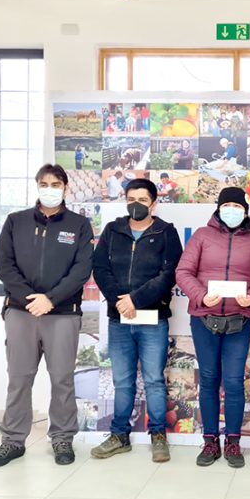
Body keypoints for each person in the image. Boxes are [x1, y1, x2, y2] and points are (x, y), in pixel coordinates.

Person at [0, 164, 93, 468]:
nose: (50, 188)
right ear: (37, 186)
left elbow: (81, 269)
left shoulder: (79, 225)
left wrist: (51, 299)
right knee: (19, 378)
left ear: (66, 188)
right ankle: (12, 441)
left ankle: (62, 438)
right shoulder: (15, 222)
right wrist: (29, 299)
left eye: (56, 184)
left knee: (62, 378)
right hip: (21, 312)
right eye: (44, 183)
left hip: (62, 313)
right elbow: (4, 265)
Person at [176, 187, 250, 468]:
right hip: (203, 319)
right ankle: (209, 441)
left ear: (245, 211)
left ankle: (233, 441)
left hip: (238, 321)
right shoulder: (202, 236)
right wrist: (201, 296)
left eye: (237, 205)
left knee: (232, 382)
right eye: (226, 204)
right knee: (208, 379)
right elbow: (183, 272)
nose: (231, 210)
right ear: (218, 208)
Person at [90, 178, 183, 463]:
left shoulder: (166, 232)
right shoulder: (113, 230)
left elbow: (169, 274)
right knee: (123, 381)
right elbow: (100, 267)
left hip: (152, 318)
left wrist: (136, 300)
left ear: (154, 203)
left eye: (143, 200)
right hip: (119, 319)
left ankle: (158, 435)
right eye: (132, 198)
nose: (137, 204)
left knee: (154, 380)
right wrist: (121, 300)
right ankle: (120, 435)